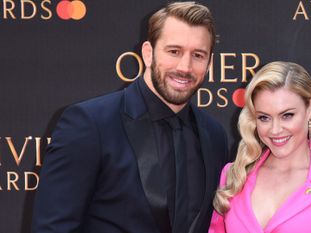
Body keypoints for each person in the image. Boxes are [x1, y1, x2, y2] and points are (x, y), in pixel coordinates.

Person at [32, 2, 229, 233]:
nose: (185, 67)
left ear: (209, 63)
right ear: (148, 53)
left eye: (198, 55)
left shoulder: (214, 135)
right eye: (174, 51)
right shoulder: (89, 124)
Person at [208, 61, 311, 233]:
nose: (275, 130)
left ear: (310, 108)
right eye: (264, 117)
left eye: (287, 115)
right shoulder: (234, 176)